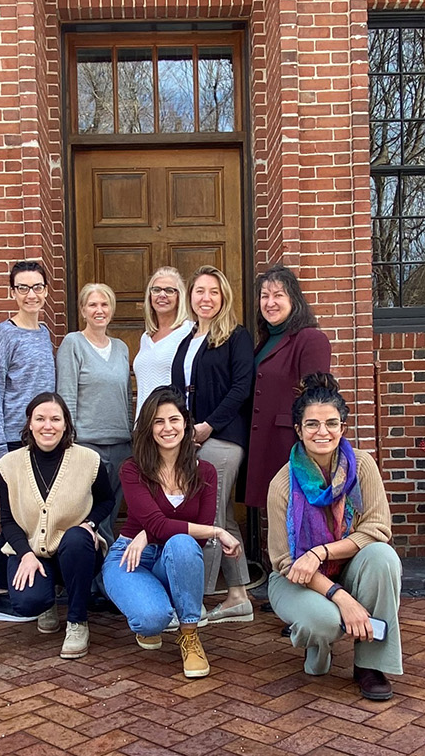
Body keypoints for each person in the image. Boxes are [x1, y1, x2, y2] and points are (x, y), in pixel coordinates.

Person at [266, 373, 402, 702]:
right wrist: (343, 598)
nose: (322, 432)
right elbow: (286, 562)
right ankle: (318, 643)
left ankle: (370, 665)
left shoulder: (363, 467)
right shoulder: (282, 485)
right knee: (323, 622)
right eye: (312, 424)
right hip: (295, 579)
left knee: (383, 557)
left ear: (343, 427)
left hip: (346, 565)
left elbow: (377, 529)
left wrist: (320, 552)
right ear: (298, 430)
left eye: (331, 423)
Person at [101, 387, 241, 679]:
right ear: (149, 428)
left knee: (181, 542)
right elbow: (169, 526)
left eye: (174, 419)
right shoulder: (132, 470)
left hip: (173, 557)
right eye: (158, 421)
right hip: (130, 557)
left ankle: (189, 636)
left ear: (186, 425)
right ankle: (153, 604)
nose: (167, 428)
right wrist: (217, 529)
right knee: (153, 619)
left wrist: (150, 532)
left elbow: (196, 540)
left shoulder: (206, 472)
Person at [0, 391, 113, 660]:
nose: (48, 426)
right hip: (31, 552)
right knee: (27, 602)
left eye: (55, 419)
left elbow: (107, 499)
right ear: (30, 423)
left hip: (77, 550)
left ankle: (77, 621)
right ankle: (46, 601)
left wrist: (90, 524)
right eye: (40, 419)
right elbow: (8, 520)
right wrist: (25, 554)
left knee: (75, 538)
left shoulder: (89, 460)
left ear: (66, 424)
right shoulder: (9, 465)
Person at [171, 265, 255, 623]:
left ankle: (196, 599)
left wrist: (209, 425)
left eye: (213, 292)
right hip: (192, 439)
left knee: (208, 515)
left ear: (224, 298)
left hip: (223, 436)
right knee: (223, 518)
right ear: (191, 298)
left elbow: (241, 388)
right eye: (199, 291)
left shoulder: (236, 336)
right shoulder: (187, 338)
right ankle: (238, 596)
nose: (206, 298)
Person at [0, 260, 58, 622]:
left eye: (38, 287)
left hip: (43, 440)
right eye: (23, 288)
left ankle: (33, 591)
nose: (32, 295)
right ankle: (3, 596)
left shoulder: (45, 333)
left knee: (36, 517)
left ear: (46, 290)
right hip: (13, 441)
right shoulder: (3, 333)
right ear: (12, 292)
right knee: (12, 517)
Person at [245, 265, 332, 511]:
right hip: (262, 444)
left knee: (296, 517)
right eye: (264, 296)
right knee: (275, 516)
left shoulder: (310, 339)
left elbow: (318, 400)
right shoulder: (264, 341)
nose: (270, 302)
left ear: (293, 298)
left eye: (278, 295)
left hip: (290, 444)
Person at [56, 282, 132, 544]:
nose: (99, 310)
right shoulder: (73, 344)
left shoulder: (121, 348)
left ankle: (106, 576)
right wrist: (69, 442)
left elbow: (126, 395)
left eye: (104, 304)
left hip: (122, 444)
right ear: (83, 310)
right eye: (93, 305)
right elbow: (66, 396)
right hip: (87, 445)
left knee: (110, 515)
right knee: (89, 516)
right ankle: (92, 580)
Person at [132, 267, 193, 417]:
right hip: (144, 425)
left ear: (180, 297)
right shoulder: (146, 337)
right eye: (156, 290)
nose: (162, 295)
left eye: (169, 290)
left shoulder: (189, 332)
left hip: (171, 425)